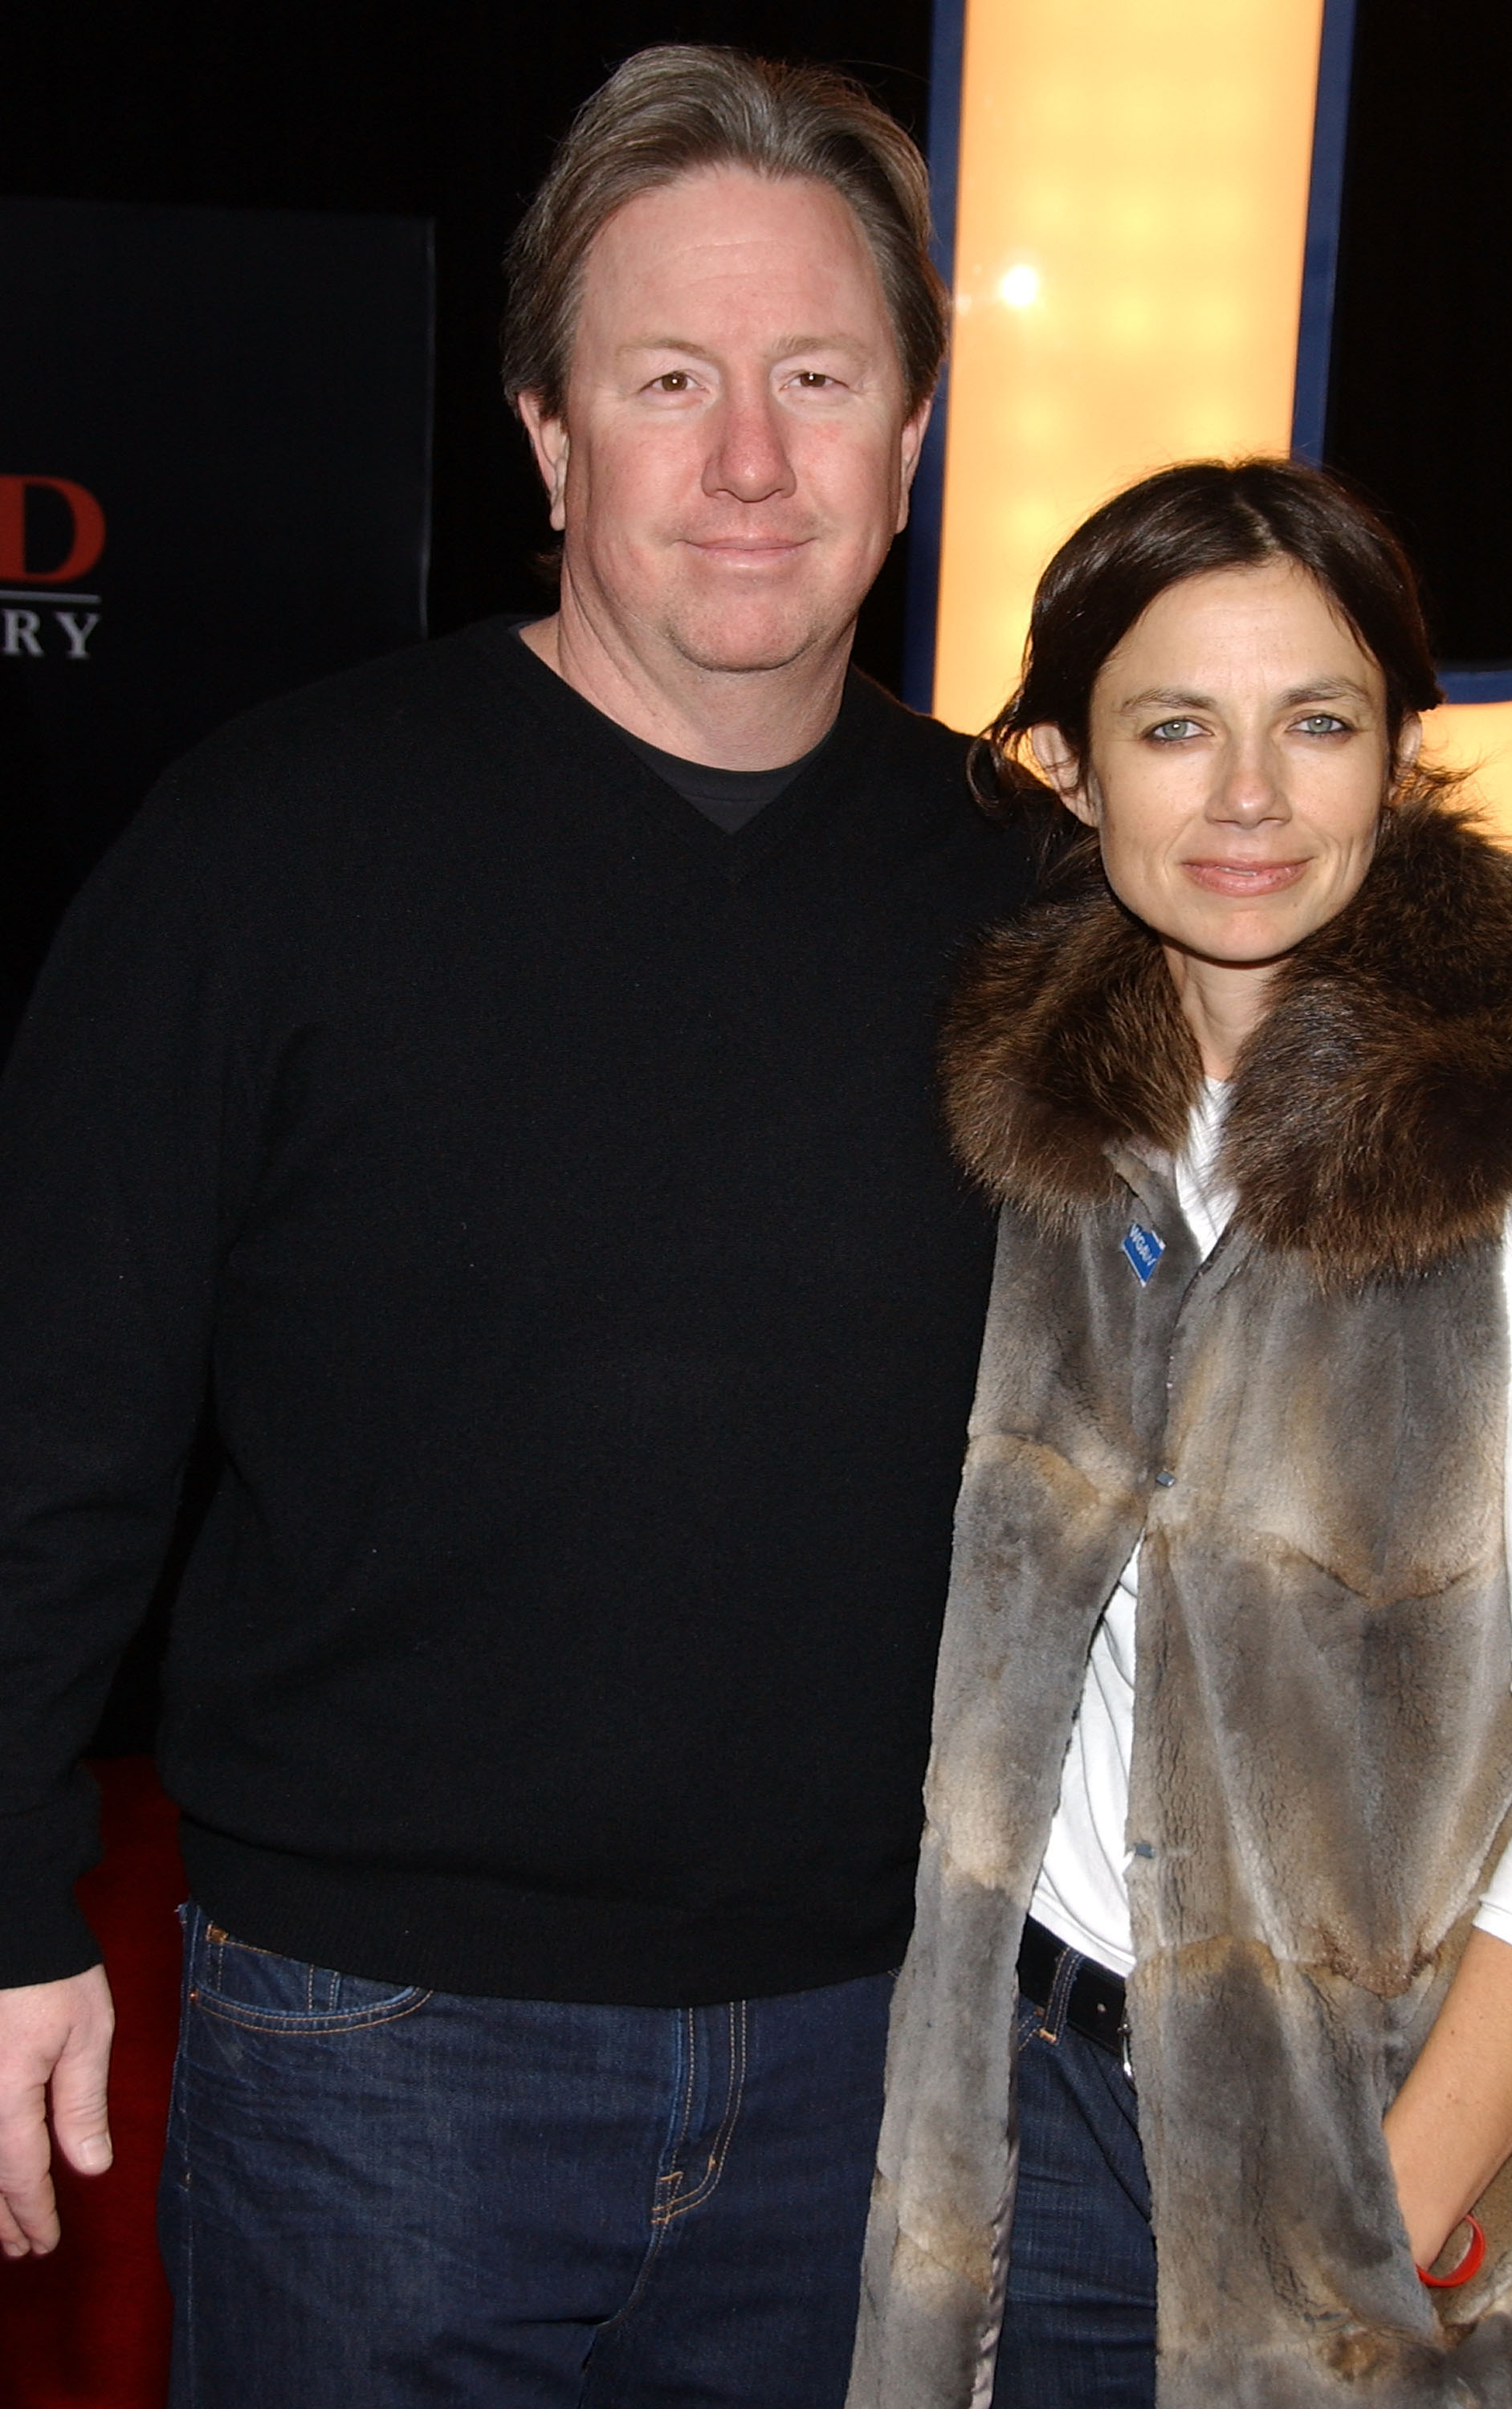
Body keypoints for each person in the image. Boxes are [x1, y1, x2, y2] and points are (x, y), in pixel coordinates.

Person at [0, 47, 1027, 2408]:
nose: (750, 460)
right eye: (670, 382)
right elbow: (49, 1407)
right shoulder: (268, 851)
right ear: (552, 440)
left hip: (892, 2057)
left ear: (909, 437)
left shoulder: (1042, 898)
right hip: (377, 2052)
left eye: (817, 379)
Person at [848, 460, 1512, 2407]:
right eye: (1174, 727)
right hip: (1032, 2131)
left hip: (1386, 2166)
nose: (1247, 796)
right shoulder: (1050, 1134)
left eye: (1315, 723)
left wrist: (1361, 2233)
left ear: (1400, 760)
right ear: (1068, 769)